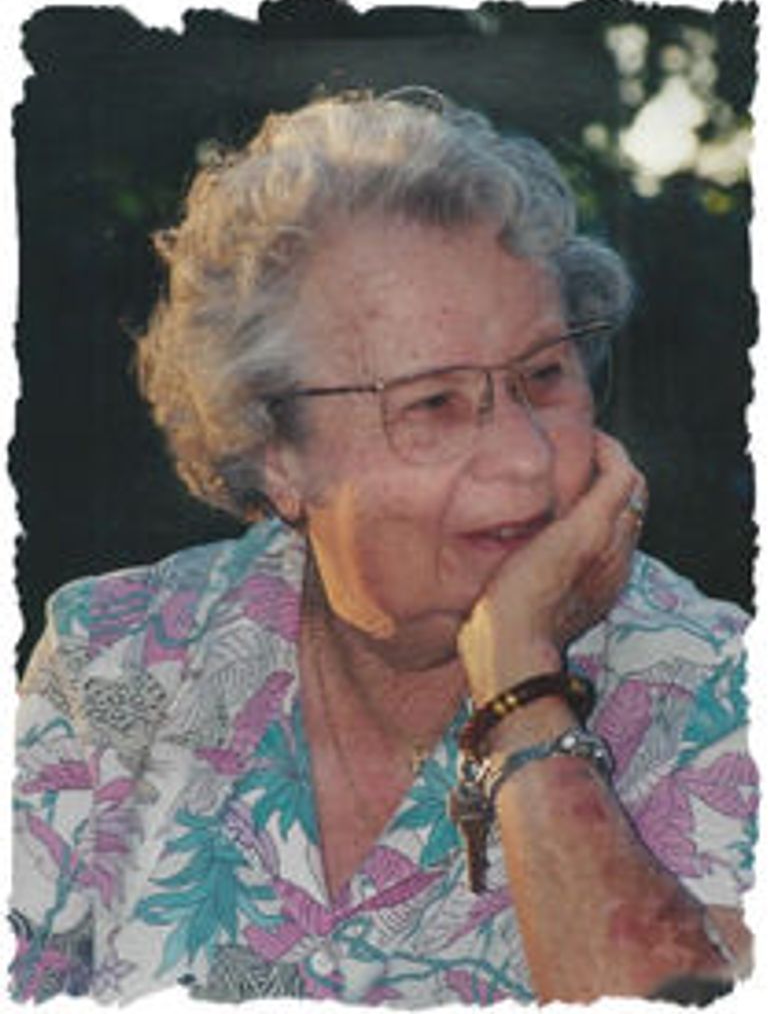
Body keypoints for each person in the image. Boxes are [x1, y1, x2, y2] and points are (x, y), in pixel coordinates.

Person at [10, 88, 756, 1006]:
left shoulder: (714, 686)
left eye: (544, 375)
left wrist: (522, 687)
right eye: (433, 403)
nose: (526, 459)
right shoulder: (116, 663)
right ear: (278, 454)